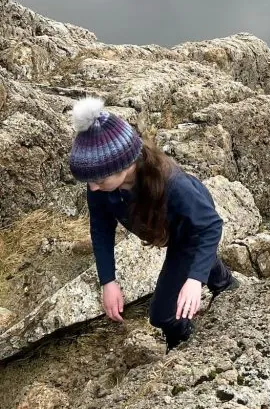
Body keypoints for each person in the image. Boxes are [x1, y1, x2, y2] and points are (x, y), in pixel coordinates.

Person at [68, 96, 237, 350]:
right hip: (172, 230)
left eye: (99, 180)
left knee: (161, 314)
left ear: (124, 165)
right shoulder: (101, 187)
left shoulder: (174, 184)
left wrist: (194, 280)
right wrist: (108, 281)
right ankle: (223, 281)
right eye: (89, 180)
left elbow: (210, 226)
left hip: (191, 230)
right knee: (192, 262)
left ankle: (183, 339)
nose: (92, 187)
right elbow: (101, 229)